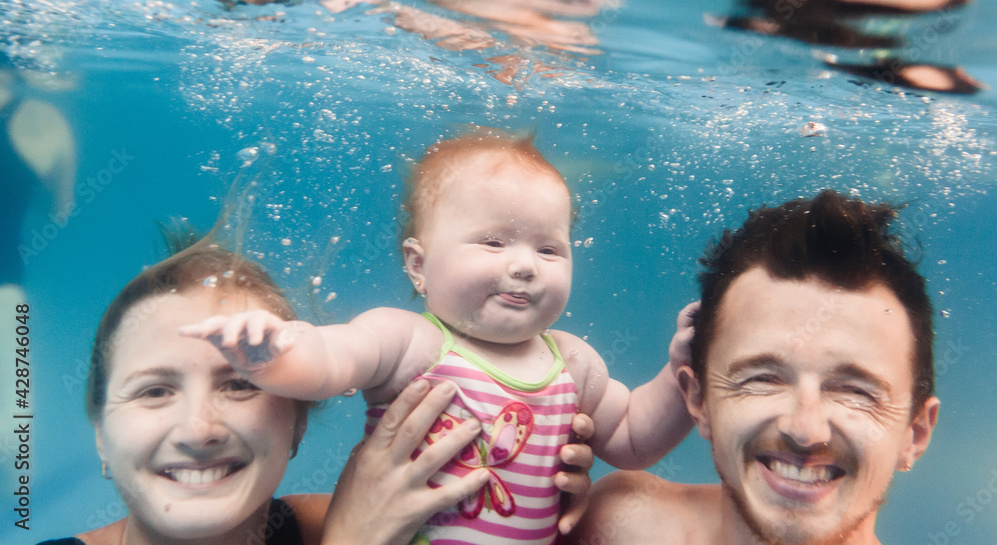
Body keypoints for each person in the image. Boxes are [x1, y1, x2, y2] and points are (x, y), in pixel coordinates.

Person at [182, 127, 693, 545]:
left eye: (550, 250)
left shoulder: (574, 363)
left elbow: (631, 438)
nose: (524, 266)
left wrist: (678, 373)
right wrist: (273, 351)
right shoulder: (409, 341)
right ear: (418, 265)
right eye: (493, 242)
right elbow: (332, 359)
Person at [39, 236, 595, 545]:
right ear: (100, 438)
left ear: (297, 423)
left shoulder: (365, 520)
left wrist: (534, 495)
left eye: (239, 384)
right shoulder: (355, 529)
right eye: (154, 392)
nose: (198, 429)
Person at [568, 189, 940, 545]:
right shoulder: (615, 526)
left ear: (916, 433)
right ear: (698, 400)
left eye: (856, 391)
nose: (805, 431)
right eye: (762, 379)